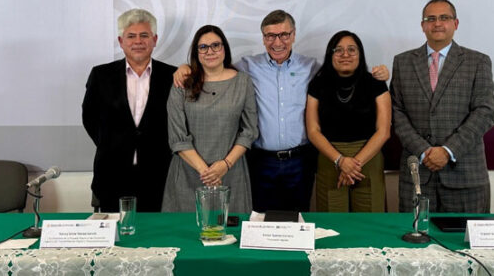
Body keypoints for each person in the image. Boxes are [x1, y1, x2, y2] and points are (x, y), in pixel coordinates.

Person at [174, 11, 389, 213]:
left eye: (284, 35)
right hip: (261, 161)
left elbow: (345, 71)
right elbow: (214, 67)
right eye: (270, 36)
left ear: (293, 35)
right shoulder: (247, 67)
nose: (277, 42)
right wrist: (186, 68)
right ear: (263, 38)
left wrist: (379, 73)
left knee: (298, 220)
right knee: (261, 222)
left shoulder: (311, 67)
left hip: (300, 160)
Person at [390, 0, 494, 213]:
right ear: (423, 25)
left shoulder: (478, 61)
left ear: (455, 23)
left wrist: (448, 151)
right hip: (418, 175)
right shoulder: (403, 62)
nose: (437, 23)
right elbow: (397, 112)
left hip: (465, 176)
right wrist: (424, 151)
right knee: (415, 235)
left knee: (465, 236)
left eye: (444, 18)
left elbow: (484, 113)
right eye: (431, 19)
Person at [82, 9, 177, 212]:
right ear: (121, 41)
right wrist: (111, 143)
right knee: (115, 230)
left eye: (144, 35)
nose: (138, 41)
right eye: (131, 36)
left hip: (159, 175)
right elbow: (89, 117)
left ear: (154, 40)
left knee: (157, 230)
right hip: (111, 174)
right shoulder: (101, 75)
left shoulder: (173, 76)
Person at [162, 25, 259, 212]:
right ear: (196, 52)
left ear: (224, 48)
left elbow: (249, 131)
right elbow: (177, 136)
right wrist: (206, 173)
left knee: (231, 228)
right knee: (185, 229)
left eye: (216, 45)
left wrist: (225, 165)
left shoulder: (243, 81)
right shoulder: (182, 83)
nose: (210, 51)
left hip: (231, 173)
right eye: (203, 47)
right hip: (188, 175)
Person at [306, 31, 391, 212]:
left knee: (369, 222)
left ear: (360, 54)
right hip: (330, 159)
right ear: (330, 54)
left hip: (368, 158)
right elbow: (313, 130)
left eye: (352, 50)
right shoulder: (317, 84)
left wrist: (353, 164)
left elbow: (383, 131)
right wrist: (340, 161)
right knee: (332, 223)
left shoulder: (375, 83)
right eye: (338, 50)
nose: (345, 54)